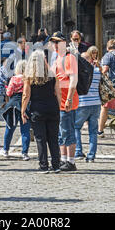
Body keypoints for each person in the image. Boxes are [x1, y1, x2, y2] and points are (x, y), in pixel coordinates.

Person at [22, 49, 62, 173]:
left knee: (40, 138)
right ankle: (56, 165)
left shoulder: (29, 77)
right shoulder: (52, 75)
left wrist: (23, 110)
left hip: (37, 109)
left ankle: (43, 165)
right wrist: (59, 107)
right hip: (52, 108)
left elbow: (26, 95)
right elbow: (58, 93)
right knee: (53, 138)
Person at [50, 32, 78, 172]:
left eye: (57, 42)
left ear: (64, 42)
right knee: (61, 132)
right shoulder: (57, 58)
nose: (55, 45)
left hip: (67, 100)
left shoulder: (69, 58)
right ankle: (63, 159)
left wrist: (69, 98)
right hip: (58, 101)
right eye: (53, 42)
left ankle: (71, 161)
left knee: (68, 131)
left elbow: (73, 79)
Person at [0, 60, 31, 161]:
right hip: (25, 104)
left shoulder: (14, 79)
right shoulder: (29, 79)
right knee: (25, 130)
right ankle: (25, 153)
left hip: (13, 104)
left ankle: (5, 150)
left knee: (9, 128)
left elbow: (9, 93)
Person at [74, 48, 101, 162]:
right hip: (96, 103)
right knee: (93, 131)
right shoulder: (97, 71)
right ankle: (91, 155)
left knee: (76, 127)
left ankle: (78, 151)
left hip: (83, 103)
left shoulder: (79, 73)